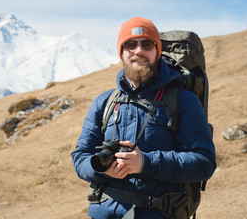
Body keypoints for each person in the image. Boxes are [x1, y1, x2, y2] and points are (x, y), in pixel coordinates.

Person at [71, 16, 216, 219]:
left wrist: (145, 163)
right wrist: (103, 170)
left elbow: (204, 162)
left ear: (157, 51)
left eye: (147, 44)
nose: (139, 51)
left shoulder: (183, 100)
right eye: (130, 44)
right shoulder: (104, 102)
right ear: (121, 53)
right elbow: (80, 157)